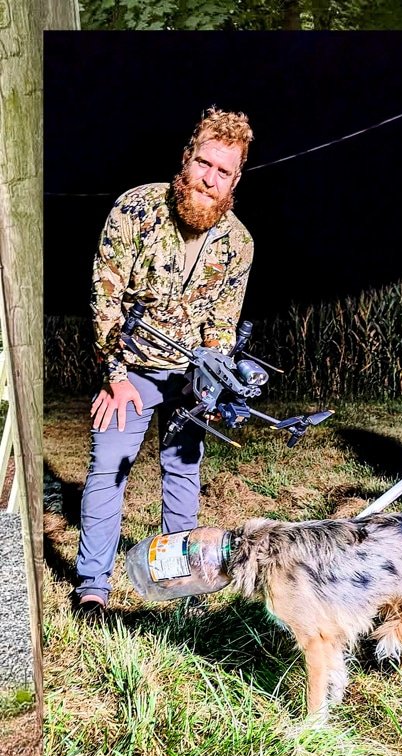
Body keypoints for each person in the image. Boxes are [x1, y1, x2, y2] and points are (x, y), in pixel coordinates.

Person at [73, 108, 257, 615]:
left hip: (187, 376)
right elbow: (103, 300)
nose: (209, 179)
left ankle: (180, 581)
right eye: (203, 164)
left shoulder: (239, 245)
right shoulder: (135, 210)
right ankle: (93, 586)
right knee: (109, 465)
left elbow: (220, 328)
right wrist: (114, 378)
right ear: (186, 159)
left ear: (235, 179)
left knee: (183, 468)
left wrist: (214, 387)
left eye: (223, 172)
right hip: (128, 368)